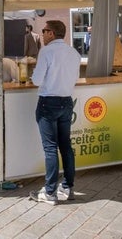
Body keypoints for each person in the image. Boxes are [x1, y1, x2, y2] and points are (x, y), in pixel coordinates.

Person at [29, 20, 81, 205]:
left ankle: (50, 191)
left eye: (44, 31)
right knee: (65, 146)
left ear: (51, 33)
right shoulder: (73, 52)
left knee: (50, 148)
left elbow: (36, 80)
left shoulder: (47, 51)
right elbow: (75, 77)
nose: (42, 34)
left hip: (48, 102)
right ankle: (67, 187)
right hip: (66, 101)